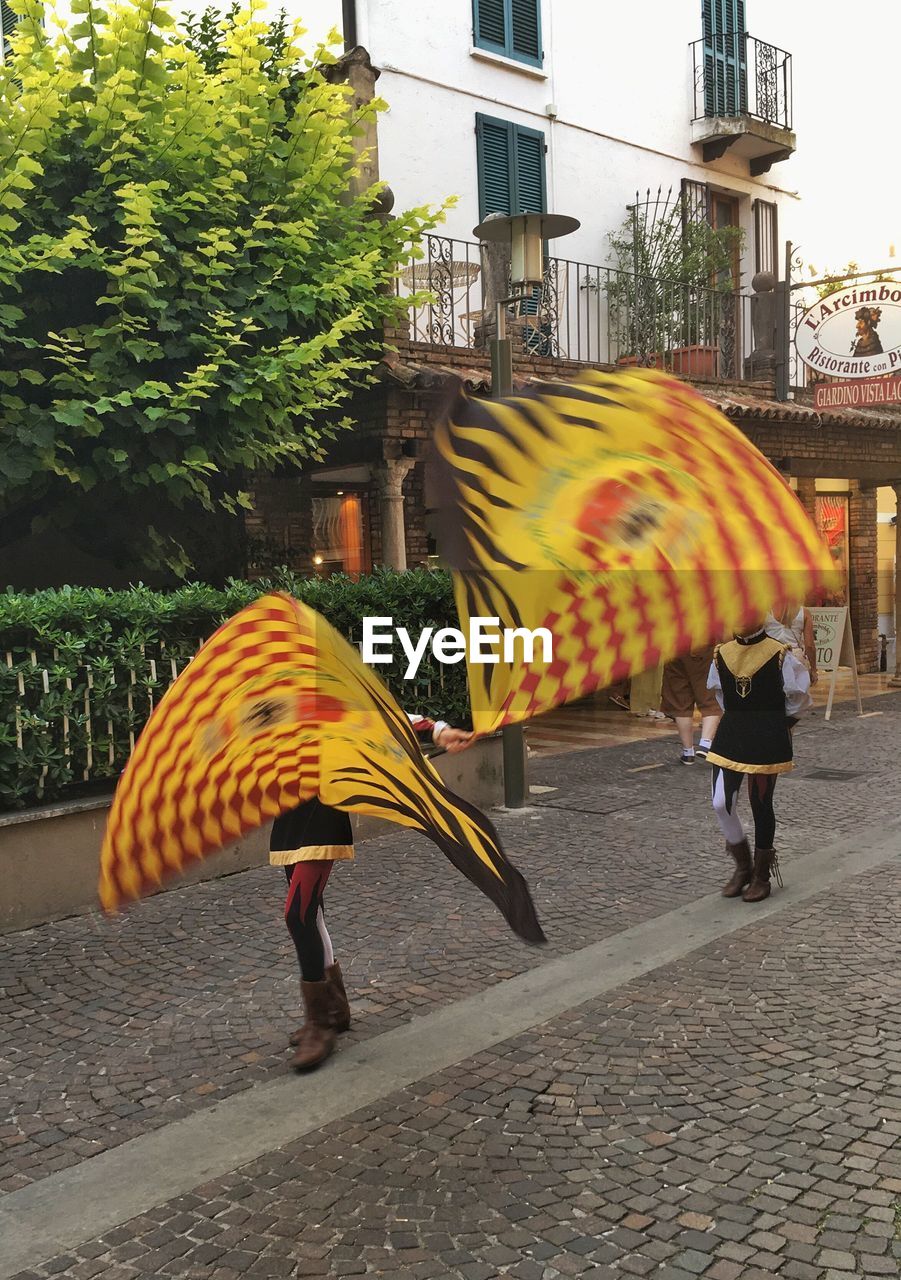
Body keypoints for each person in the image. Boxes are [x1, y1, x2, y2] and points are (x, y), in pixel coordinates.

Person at [272, 714, 473, 1071]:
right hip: (287, 810)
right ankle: (334, 1010)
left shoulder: (324, 690)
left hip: (323, 813)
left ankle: (320, 1024)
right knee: (311, 913)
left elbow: (378, 711)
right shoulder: (269, 693)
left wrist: (439, 731)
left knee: (298, 914)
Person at [706, 623, 812, 903]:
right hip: (731, 734)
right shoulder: (722, 653)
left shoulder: (780, 653)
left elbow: (800, 698)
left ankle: (761, 875)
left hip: (766, 736)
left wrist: (778, 725)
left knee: (760, 803)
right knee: (720, 801)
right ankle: (743, 866)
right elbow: (722, 696)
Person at [661, 647, 721, 764]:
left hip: (674, 645)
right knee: (709, 696)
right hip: (702, 645)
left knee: (680, 701)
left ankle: (688, 752)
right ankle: (705, 744)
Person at [765, 601, 818, 684]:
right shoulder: (804, 612)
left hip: (770, 656)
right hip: (795, 657)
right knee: (797, 694)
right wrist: (814, 669)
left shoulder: (764, 611)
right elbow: (810, 646)